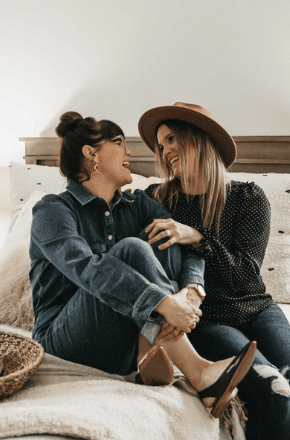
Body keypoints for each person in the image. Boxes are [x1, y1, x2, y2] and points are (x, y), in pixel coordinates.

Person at [137, 102, 290, 440]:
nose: (165, 152)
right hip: (209, 318)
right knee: (274, 389)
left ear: (200, 139)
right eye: (160, 146)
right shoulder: (158, 200)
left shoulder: (248, 197)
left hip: (258, 309)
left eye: (172, 139)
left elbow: (247, 276)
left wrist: (198, 238)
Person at [29, 110, 256, 419]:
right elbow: (87, 268)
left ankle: (145, 353)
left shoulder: (138, 204)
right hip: (65, 341)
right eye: (119, 142)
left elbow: (186, 246)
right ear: (91, 154)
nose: (129, 152)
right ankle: (198, 371)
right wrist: (163, 302)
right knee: (131, 250)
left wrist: (191, 291)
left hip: (120, 341)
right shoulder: (53, 210)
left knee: (162, 237)